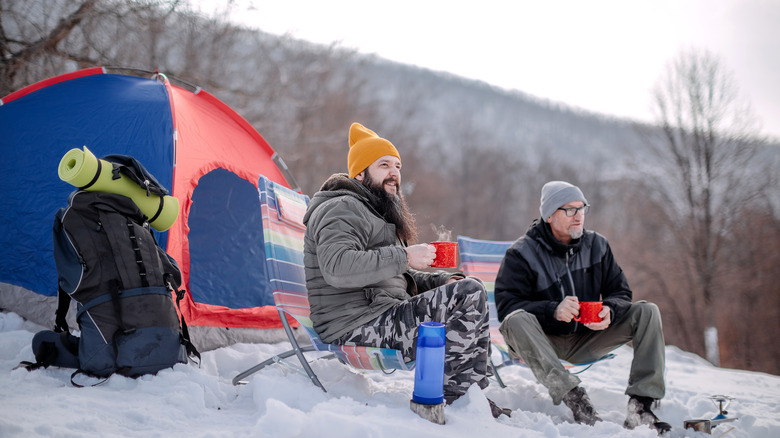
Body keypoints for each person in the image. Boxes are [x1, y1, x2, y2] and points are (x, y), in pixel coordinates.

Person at [302, 122, 510, 418]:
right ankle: (458, 401)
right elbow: (338, 267)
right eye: (383, 165)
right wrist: (404, 256)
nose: (394, 173)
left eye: (397, 166)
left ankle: (470, 399)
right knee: (469, 294)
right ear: (359, 173)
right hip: (354, 325)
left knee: (465, 287)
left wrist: (442, 280)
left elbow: (396, 277)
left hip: (379, 315)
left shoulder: (374, 210)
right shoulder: (341, 208)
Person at [494, 181, 671, 433]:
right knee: (515, 320)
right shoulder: (521, 253)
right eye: (570, 210)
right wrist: (552, 309)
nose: (578, 216)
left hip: (588, 337)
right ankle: (577, 400)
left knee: (647, 311)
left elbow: (620, 292)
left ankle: (640, 406)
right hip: (543, 342)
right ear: (550, 215)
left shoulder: (597, 245)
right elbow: (507, 306)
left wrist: (610, 309)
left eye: (582, 208)